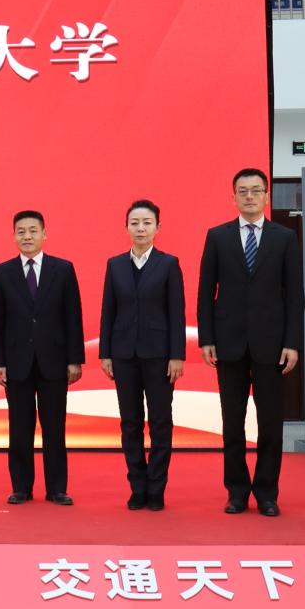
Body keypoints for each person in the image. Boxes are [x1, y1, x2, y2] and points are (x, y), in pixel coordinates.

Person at [197, 168, 303, 517]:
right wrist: (207, 338)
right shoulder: (217, 236)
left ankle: (267, 493)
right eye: (243, 191)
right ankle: (237, 492)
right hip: (228, 344)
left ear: (267, 196)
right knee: (232, 424)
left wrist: (292, 342)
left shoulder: (284, 238)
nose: (250, 196)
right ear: (234, 197)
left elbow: (294, 295)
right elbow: (205, 292)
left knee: (271, 424)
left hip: (272, 346)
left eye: (256, 190)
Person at [0, 210, 84, 506]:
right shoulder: (2, 272)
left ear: (44, 234)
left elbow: (73, 317)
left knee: (54, 428)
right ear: (14, 236)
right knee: (19, 428)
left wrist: (74, 360)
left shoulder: (63, 269)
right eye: (21, 231)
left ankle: (57, 488)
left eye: (33, 231)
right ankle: (21, 487)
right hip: (16, 362)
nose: (27, 236)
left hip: (54, 361)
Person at [99, 199, 186, 512]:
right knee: (130, 422)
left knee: (160, 422)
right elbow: (108, 311)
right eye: (135, 223)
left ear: (157, 227)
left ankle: (156, 488)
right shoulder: (115, 265)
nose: (140, 228)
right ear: (126, 227)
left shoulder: (169, 264)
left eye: (147, 223)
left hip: (160, 356)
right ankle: (137, 487)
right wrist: (105, 353)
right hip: (123, 355)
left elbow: (176, 313)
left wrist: (177, 355)